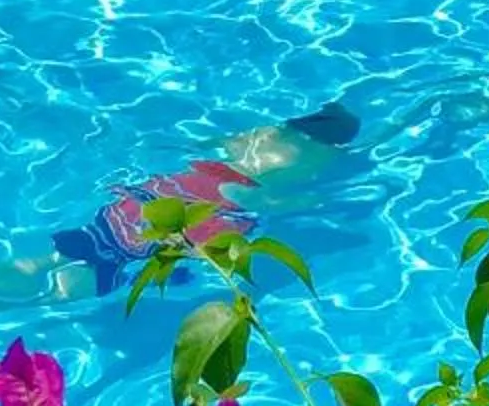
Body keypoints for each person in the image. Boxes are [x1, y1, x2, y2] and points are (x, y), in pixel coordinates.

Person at [49, 100, 363, 296]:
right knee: (96, 279)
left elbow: (203, 148)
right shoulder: (315, 157)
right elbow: (263, 201)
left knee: (59, 259)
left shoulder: (262, 134)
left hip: (156, 196)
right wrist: (308, 204)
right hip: (203, 220)